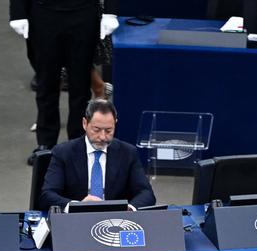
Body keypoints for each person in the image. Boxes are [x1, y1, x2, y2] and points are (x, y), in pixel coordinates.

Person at [10, 0, 120, 165]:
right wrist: (18, 11)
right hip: (42, 13)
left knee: (81, 86)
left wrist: (110, 12)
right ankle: (45, 143)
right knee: (46, 84)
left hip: (83, 13)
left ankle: (78, 142)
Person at [40, 97, 155, 211]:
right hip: (76, 220)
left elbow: (146, 193)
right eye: (96, 129)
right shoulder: (63, 152)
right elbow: (47, 195)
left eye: (109, 130)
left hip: (115, 221)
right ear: (85, 123)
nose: (102, 137)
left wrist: (128, 209)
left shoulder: (128, 153)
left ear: (115, 124)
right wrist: (76, 206)